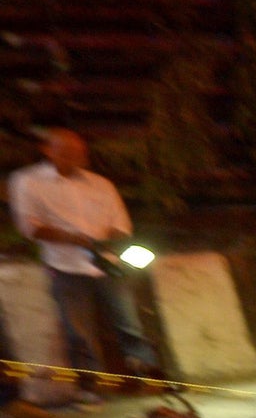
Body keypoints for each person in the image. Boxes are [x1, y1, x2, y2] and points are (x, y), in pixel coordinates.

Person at [7, 127, 158, 384]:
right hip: (64, 264)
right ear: (47, 150)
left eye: (78, 153)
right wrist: (75, 239)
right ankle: (92, 385)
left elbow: (121, 224)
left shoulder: (100, 184)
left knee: (129, 322)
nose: (73, 158)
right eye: (66, 152)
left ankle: (145, 374)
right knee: (77, 331)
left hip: (108, 263)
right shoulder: (27, 181)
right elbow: (29, 226)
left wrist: (108, 240)